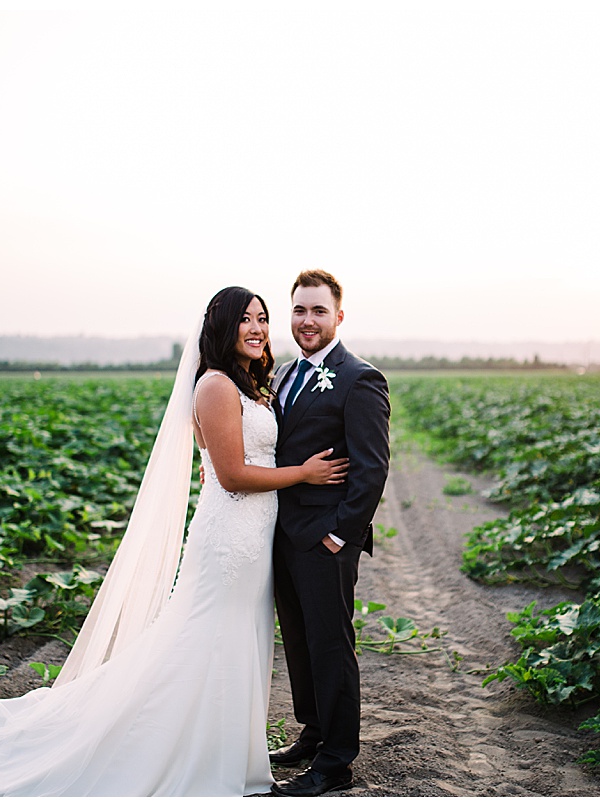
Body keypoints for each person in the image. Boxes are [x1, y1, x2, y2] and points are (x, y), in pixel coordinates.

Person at [0, 286, 348, 797]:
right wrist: (304, 474)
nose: (257, 327)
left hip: (252, 538)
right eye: (246, 319)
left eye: (262, 318)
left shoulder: (253, 383)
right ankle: (193, 753)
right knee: (205, 640)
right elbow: (231, 474)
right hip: (229, 539)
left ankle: (231, 751)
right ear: (222, 328)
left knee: (236, 641)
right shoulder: (216, 385)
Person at [267, 270, 391, 797]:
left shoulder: (359, 378)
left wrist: (340, 536)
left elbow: (371, 469)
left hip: (324, 540)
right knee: (298, 641)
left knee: (331, 645)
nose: (307, 320)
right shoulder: (284, 374)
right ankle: (312, 733)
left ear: (339, 316)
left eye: (318, 310)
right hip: (282, 535)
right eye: (299, 310)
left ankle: (337, 759)